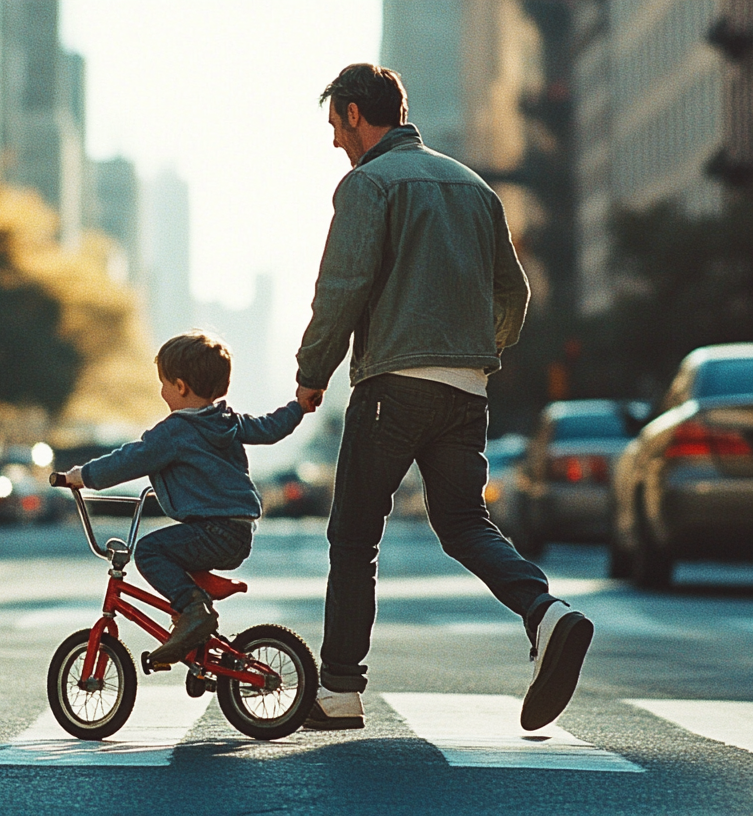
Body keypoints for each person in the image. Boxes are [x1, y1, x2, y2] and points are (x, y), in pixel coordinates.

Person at [293, 63, 593, 732]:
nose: (335, 142)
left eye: (335, 126)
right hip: (466, 391)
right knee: (463, 524)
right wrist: (475, 352)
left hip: (391, 390)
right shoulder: (475, 187)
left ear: (351, 113)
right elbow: (513, 294)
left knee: (354, 536)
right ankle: (548, 615)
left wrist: (312, 372)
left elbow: (341, 289)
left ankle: (340, 689)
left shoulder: (368, 184)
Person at [65, 331, 304, 665]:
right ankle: (193, 645)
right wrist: (299, 407)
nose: (161, 391)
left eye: (163, 383)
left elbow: (130, 459)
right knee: (178, 557)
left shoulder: (173, 432)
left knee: (150, 550)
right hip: (238, 531)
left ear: (180, 386)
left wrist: (82, 475)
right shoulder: (228, 422)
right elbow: (270, 427)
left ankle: (193, 612)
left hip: (213, 531)